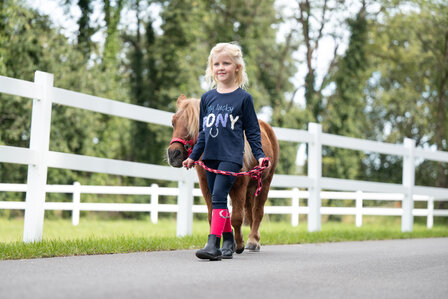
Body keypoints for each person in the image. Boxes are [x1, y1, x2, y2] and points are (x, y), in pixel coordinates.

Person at [183, 42, 270, 261]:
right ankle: (229, 239)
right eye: (216, 64)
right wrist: (193, 157)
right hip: (209, 157)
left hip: (232, 157)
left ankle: (214, 244)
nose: (221, 68)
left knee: (219, 197)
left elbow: (252, 131)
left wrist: (259, 155)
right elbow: (203, 133)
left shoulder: (243, 99)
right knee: (215, 197)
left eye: (226, 63)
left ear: (237, 67)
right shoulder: (207, 98)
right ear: (211, 68)